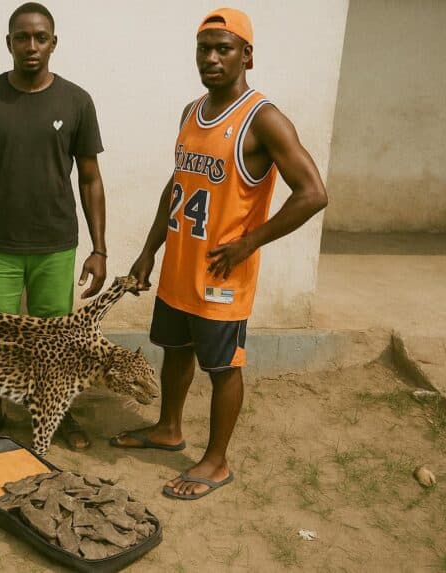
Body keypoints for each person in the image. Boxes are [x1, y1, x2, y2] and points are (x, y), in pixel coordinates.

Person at [110, 8, 328, 499]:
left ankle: (216, 460)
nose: (211, 58)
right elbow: (178, 184)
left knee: (224, 367)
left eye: (223, 49)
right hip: (179, 265)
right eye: (203, 48)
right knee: (175, 350)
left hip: (221, 274)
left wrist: (249, 242)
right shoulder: (191, 112)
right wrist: (148, 250)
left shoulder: (263, 119)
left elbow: (313, 193)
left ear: (246, 55)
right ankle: (169, 428)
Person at [0, 2, 107, 450]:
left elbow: (91, 178)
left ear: (54, 43)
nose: (31, 45)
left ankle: (58, 407)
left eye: (41, 37)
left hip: (55, 243)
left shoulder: (76, 101)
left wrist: (99, 248)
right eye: (22, 37)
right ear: (9, 43)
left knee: (55, 338)